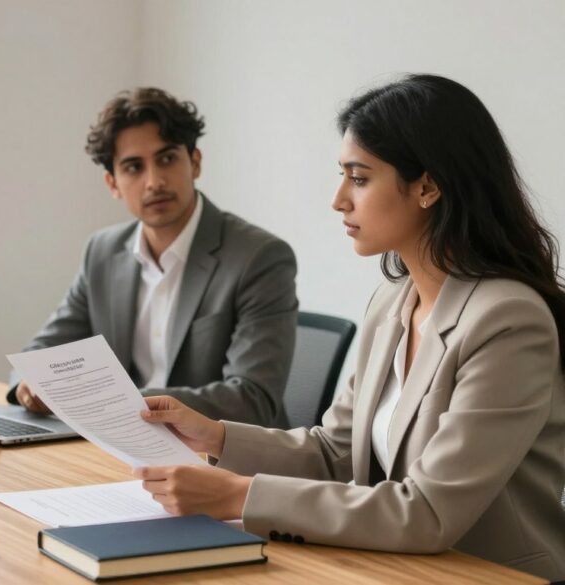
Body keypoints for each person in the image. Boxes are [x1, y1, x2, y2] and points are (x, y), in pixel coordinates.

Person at [135, 75, 565, 581]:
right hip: (389, 566)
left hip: (485, 574)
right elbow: (335, 452)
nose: (339, 199)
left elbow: (427, 513)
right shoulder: (392, 303)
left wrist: (237, 494)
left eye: (359, 179)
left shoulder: (509, 322)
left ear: (427, 186)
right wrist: (217, 437)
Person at [10, 87, 298, 425]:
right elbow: (42, 353)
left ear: (195, 162)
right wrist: (28, 385)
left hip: (224, 460)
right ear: (112, 183)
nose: (154, 181)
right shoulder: (102, 252)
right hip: (125, 447)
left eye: (167, 159)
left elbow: (251, 398)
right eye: (133, 167)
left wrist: (114, 399)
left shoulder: (259, 257)